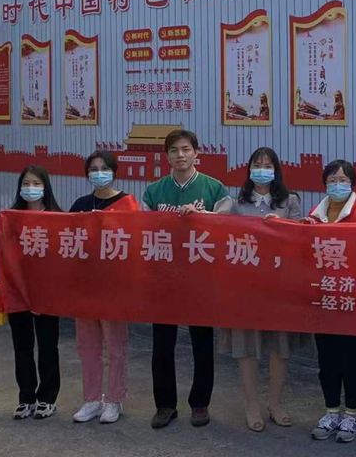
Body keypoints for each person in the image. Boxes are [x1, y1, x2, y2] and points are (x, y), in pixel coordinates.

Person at [141, 129, 233, 430]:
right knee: (162, 343)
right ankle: (165, 405)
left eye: (185, 149)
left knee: (202, 342)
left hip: (201, 278)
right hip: (164, 277)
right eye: (174, 150)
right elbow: (143, 230)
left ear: (196, 153)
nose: (180, 155)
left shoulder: (215, 189)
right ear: (166, 156)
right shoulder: (154, 191)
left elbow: (226, 228)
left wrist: (201, 216)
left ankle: (200, 403)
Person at [218, 147, 308, 432]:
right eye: (257, 165)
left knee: (280, 349)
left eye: (268, 166)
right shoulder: (236, 202)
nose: (262, 170)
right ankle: (252, 405)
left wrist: (282, 226)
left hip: (280, 286)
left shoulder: (290, 200)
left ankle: (275, 403)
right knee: (247, 348)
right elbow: (216, 223)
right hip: (246, 287)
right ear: (249, 170)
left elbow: (300, 237)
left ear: (276, 170)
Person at [68, 150, 139, 425]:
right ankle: (91, 400)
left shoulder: (127, 204)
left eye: (104, 168)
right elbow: (67, 240)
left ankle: (114, 399)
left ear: (114, 171)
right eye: (93, 169)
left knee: (115, 346)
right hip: (85, 286)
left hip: (113, 287)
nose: (98, 173)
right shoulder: (80, 204)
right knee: (87, 346)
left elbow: (134, 245)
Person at [306, 160, 356, 443]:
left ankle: (352, 415)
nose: (337, 185)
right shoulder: (315, 214)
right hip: (322, 299)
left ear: (353, 184)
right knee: (327, 360)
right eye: (332, 180)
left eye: (343, 180)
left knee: (352, 360)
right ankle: (331, 411)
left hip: (352, 299)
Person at [0, 165, 63, 420]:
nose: (31, 188)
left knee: (48, 345)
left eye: (36, 183)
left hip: (47, 294)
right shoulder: (9, 218)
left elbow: (67, 257)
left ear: (46, 187)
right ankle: (26, 398)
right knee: (22, 346)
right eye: (26, 184)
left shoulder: (57, 218)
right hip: (17, 293)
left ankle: (47, 399)